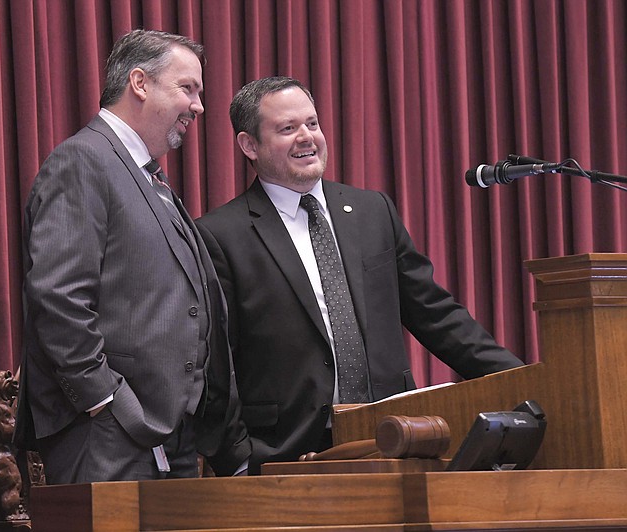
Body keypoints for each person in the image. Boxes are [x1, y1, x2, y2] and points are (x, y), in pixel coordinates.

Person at [195, 76, 524, 474]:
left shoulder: (372, 211)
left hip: (393, 439)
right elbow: (215, 363)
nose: (307, 138)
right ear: (249, 145)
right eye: (288, 128)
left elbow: (436, 314)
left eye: (312, 124)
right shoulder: (219, 234)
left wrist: (522, 381)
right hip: (286, 453)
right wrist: (237, 460)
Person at [14, 29, 248, 483]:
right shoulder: (83, 161)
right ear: (140, 83)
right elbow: (58, 298)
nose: (199, 107)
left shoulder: (147, 175)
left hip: (169, 437)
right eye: (188, 89)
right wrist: (107, 402)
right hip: (106, 437)